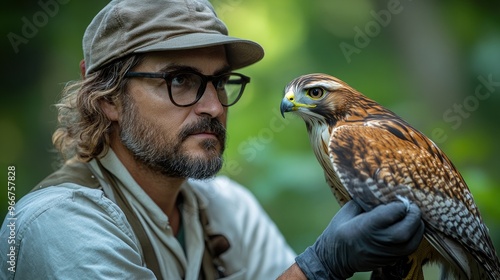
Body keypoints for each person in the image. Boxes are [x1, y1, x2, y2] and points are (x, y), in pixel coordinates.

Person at [0, 0, 424, 279]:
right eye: (180, 80)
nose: (214, 107)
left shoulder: (227, 207)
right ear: (109, 97)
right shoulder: (55, 225)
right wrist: (320, 266)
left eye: (219, 82)